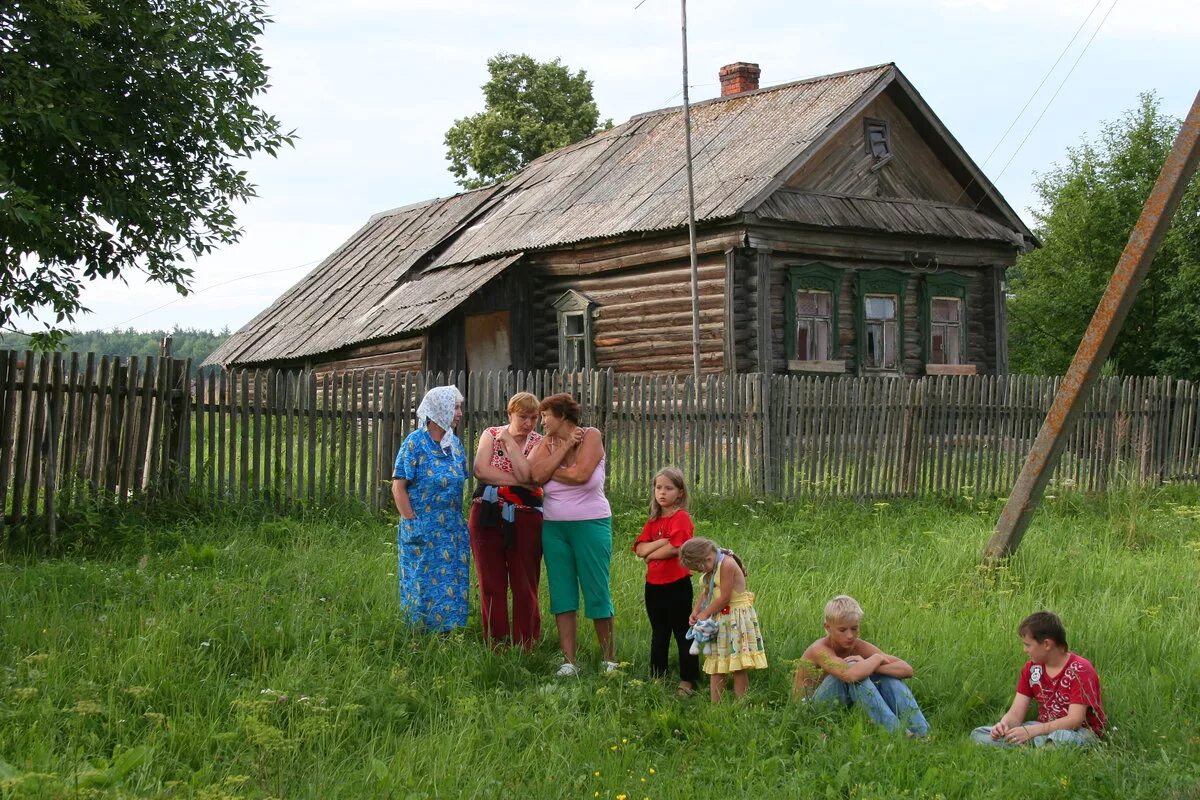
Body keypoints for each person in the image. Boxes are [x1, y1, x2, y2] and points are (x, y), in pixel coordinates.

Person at [528, 393, 616, 676]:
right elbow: (532, 474)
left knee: (596, 589)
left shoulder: (591, 435)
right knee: (562, 591)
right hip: (554, 527)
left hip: (591, 523)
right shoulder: (548, 442)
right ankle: (569, 661)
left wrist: (551, 470)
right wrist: (563, 449)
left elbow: (581, 475)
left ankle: (609, 659)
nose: (541, 421)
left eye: (545, 415)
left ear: (563, 415)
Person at [469, 392, 544, 650]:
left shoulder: (539, 442)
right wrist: (522, 481)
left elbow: (533, 475)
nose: (529, 423)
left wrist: (512, 450)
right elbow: (480, 470)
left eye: (534, 418)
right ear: (510, 413)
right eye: (523, 416)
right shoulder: (491, 434)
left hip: (526, 517)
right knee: (491, 580)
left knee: (525, 580)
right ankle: (497, 642)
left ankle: (526, 642)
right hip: (487, 513)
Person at [391, 385, 469, 632]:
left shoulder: (455, 444)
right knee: (421, 581)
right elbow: (398, 487)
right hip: (422, 527)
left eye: (459, 408)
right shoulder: (415, 443)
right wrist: (411, 521)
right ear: (440, 409)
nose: (459, 413)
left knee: (451, 580)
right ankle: (419, 636)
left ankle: (449, 633)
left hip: (452, 529)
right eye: (455, 407)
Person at [794, 595, 929, 737]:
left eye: (854, 628)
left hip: (839, 703)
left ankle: (921, 732)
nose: (850, 635)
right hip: (809, 710)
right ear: (828, 627)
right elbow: (851, 675)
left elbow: (907, 669)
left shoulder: (858, 645)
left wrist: (875, 666)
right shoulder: (819, 649)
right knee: (854, 669)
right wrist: (876, 658)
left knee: (886, 676)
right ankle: (898, 734)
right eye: (842, 630)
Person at [971, 611, 1105, 747]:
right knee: (979, 734)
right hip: (1040, 728)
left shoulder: (1081, 669)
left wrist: (1032, 731)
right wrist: (1003, 726)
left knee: (1060, 737)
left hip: (1078, 732)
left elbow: (1074, 720)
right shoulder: (1032, 669)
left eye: (1028, 645)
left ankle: (1035, 746)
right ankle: (1038, 746)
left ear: (1047, 644)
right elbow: (1016, 713)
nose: (1025, 650)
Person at [632, 467, 700, 696]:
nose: (662, 492)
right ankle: (657, 677)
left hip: (677, 584)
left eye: (668, 488)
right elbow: (640, 548)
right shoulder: (653, 521)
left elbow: (676, 547)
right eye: (658, 487)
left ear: (680, 493)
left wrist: (652, 552)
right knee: (659, 632)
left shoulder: (681, 517)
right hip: (654, 585)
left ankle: (688, 680)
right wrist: (659, 545)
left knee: (683, 632)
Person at [679, 537, 767, 702]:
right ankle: (716, 705)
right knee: (717, 660)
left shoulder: (726, 564)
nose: (700, 573)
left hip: (736, 618)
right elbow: (706, 592)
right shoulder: (712, 564)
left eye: (699, 569)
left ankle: (741, 704)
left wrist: (705, 614)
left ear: (708, 559)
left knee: (738, 664)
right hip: (720, 616)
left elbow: (725, 597)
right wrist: (696, 610)